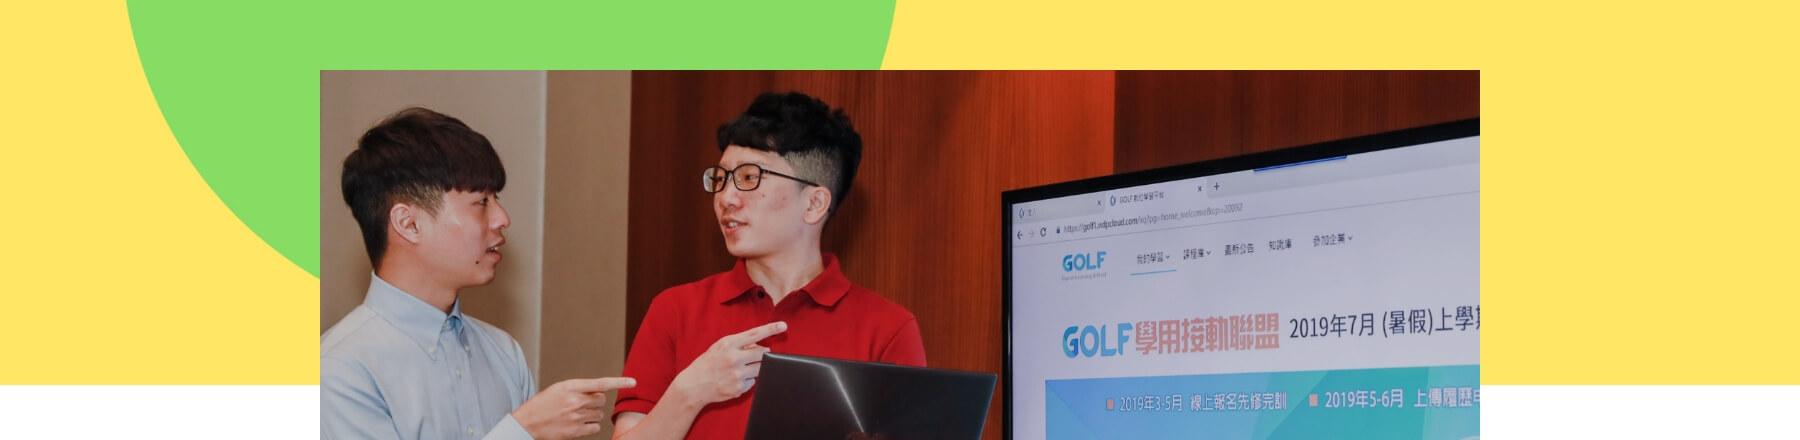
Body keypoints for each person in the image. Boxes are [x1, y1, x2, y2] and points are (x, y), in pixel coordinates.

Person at [611, 92, 927, 440]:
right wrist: (690, 392)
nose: (725, 198)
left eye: (749, 178)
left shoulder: (887, 330)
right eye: (721, 179)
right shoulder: (674, 310)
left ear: (814, 204)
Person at [322, 107, 634, 440]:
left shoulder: (503, 352)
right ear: (409, 223)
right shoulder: (340, 370)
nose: (502, 218)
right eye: (482, 201)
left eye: (495, 198)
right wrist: (522, 430)